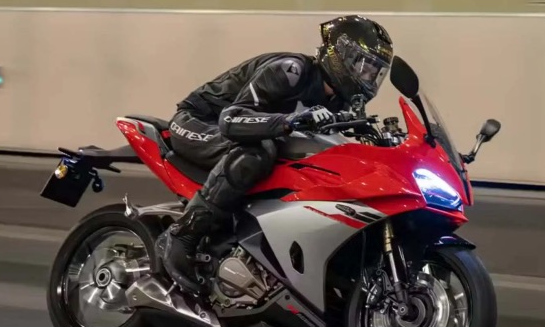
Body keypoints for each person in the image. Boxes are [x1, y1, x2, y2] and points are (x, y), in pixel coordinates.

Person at [155, 15, 394, 295]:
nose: (368, 78)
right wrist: (288, 121)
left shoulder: (342, 101)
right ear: (341, 55)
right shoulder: (291, 71)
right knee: (258, 152)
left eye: (375, 72)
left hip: (238, 132)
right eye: (364, 66)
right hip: (198, 122)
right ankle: (182, 235)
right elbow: (231, 120)